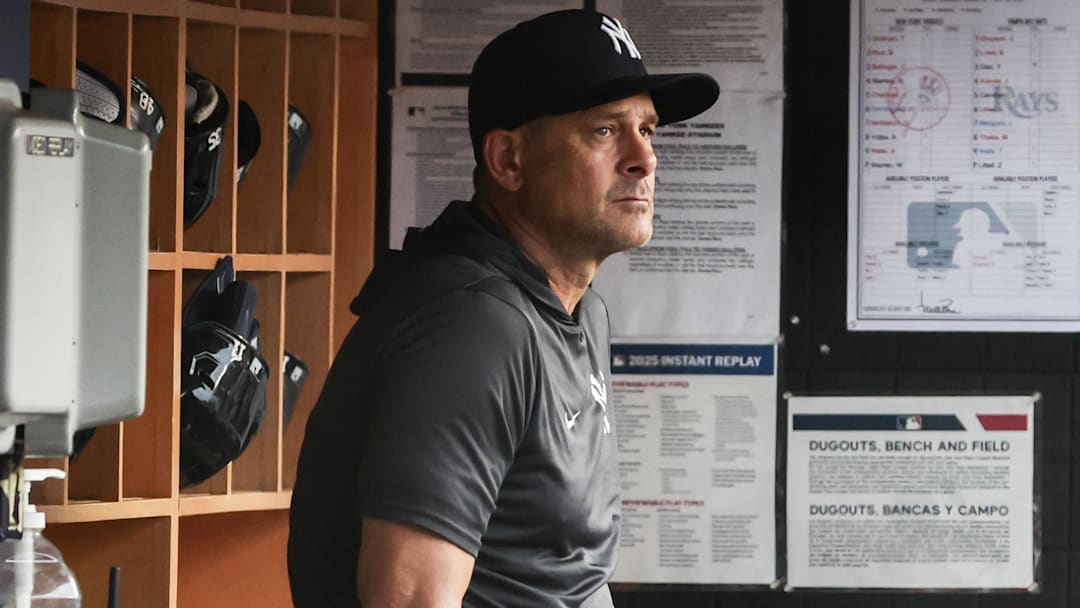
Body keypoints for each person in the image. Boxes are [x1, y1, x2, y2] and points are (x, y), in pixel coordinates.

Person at [288, 9, 718, 607]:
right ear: (509, 160)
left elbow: (570, 574)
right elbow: (409, 599)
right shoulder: (473, 329)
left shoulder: (578, 312)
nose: (643, 159)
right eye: (604, 130)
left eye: (647, 130)